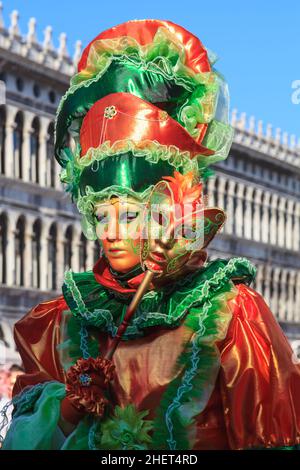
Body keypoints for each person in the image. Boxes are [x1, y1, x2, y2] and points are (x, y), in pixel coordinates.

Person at [1, 19, 300, 451]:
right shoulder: (62, 322)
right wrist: (68, 407)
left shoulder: (230, 315)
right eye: (102, 217)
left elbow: (269, 436)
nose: (110, 234)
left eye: (128, 216)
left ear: (164, 216)